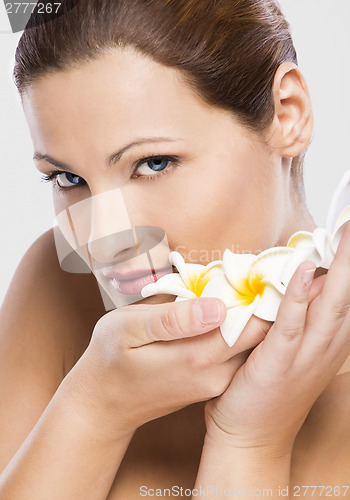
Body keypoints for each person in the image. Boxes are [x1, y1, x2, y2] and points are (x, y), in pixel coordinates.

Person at [0, 0, 349, 498]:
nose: (101, 240)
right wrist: (94, 407)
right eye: (68, 177)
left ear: (287, 114)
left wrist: (250, 444)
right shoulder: (57, 289)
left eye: (155, 163)